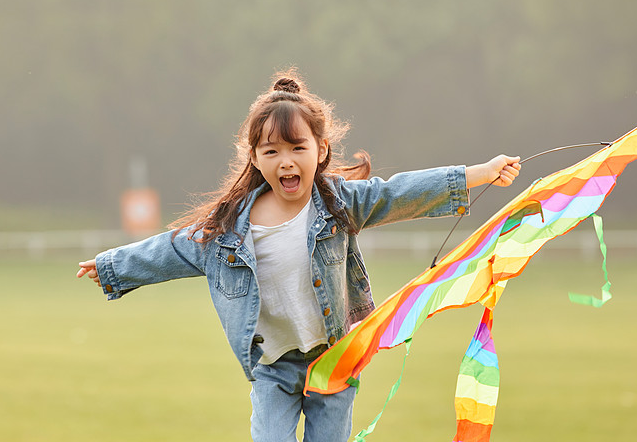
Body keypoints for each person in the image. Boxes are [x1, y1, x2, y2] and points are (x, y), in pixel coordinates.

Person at [77, 70, 520, 442]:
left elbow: (397, 193)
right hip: (272, 367)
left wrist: (481, 173)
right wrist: (114, 266)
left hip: (334, 358)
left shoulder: (338, 204)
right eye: (271, 152)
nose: (285, 161)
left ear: (320, 150)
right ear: (254, 158)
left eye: (297, 148)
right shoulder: (228, 230)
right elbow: (171, 248)